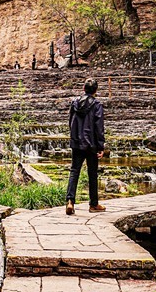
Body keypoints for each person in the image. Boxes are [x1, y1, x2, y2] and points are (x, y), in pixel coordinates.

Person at [65, 78, 105, 216]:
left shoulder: (75, 103)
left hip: (76, 142)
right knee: (92, 173)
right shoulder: (97, 105)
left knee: (74, 171)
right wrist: (100, 146)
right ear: (96, 90)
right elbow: (98, 127)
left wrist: (73, 137)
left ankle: (70, 201)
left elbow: (71, 122)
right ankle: (93, 204)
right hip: (91, 144)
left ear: (84, 89)